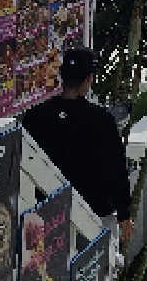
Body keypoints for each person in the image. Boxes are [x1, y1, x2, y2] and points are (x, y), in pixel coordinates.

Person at [22, 47, 133, 249]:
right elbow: (116, 170)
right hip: (93, 216)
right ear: (89, 79)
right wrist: (124, 214)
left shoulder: (35, 117)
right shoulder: (102, 120)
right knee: (93, 275)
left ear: (62, 77)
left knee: (50, 275)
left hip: (48, 215)